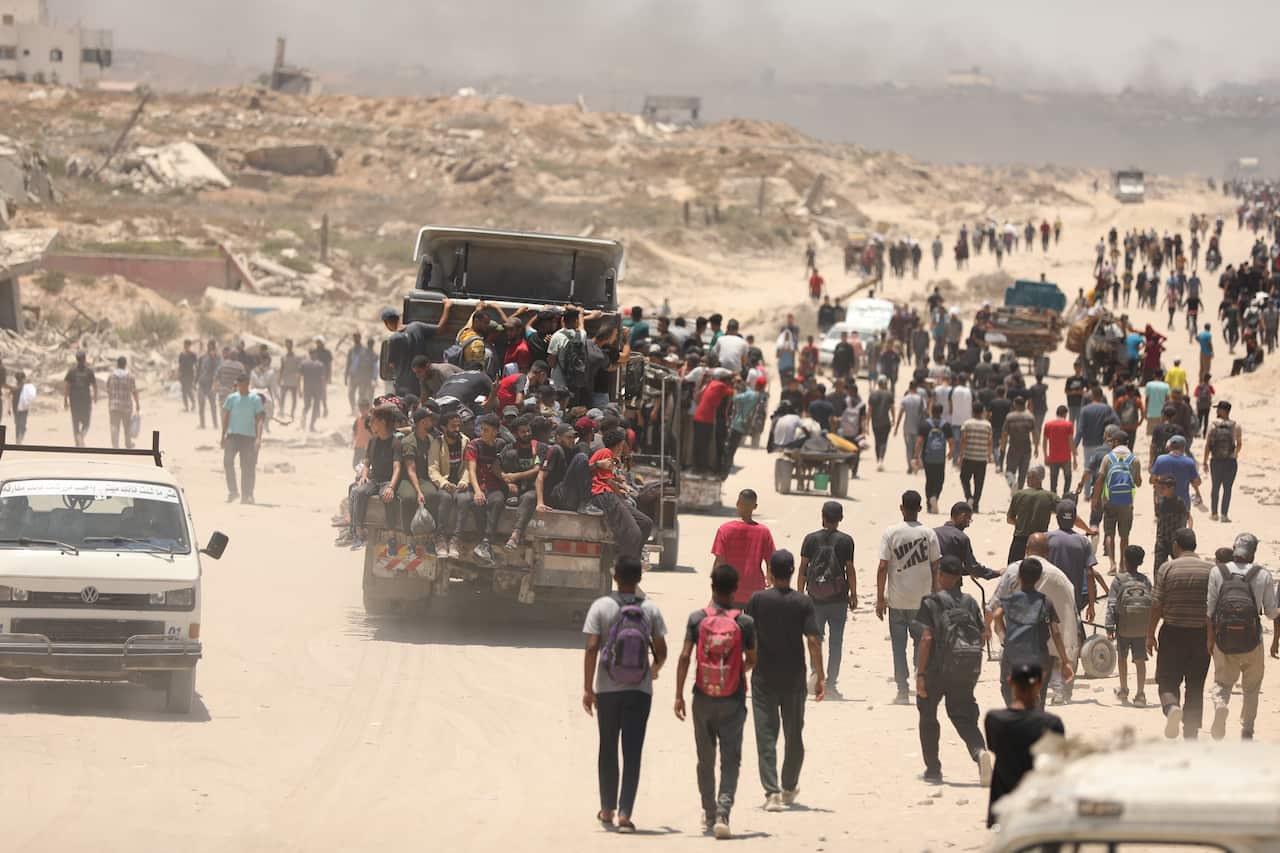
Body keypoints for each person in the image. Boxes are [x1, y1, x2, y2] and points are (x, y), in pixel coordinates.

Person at [582, 555, 668, 834]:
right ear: (640, 578)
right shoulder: (650, 609)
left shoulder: (601, 606)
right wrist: (652, 671)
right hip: (640, 692)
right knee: (632, 751)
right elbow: (662, 650)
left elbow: (592, 648)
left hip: (607, 690)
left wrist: (588, 688)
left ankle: (607, 808)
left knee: (607, 747)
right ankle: (625, 813)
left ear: (615, 577)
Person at [674, 563, 756, 839]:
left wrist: (678, 694)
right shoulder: (744, 623)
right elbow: (752, 659)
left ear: (712, 588)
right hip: (733, 698)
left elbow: (684, 657)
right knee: (730, 759)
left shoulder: (697, 619)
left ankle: (709, 813)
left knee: (705, 759)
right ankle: (723, 813)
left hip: (702, 698)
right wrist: (734, 671)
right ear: (735, 590)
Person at [747, 550, 824, 812]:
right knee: (794, 734)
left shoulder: (757, 599)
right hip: (794, 679)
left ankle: (771, 793)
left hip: (763, 677)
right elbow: (813, 640)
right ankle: (788, 787)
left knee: (766, 735)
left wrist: (745, 664)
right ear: (792, 572)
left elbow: (747, 633)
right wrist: (820, 675)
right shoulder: (803, 602)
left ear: (770, 572)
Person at [913, 555, 992, 785]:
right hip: (966, 668)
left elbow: (926, 638)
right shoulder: (970, 602)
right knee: (963, 715)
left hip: (936, 670)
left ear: (939, 575)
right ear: (958, 577)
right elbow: (982, 635)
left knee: (928, 715)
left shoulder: (931, 602)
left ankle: (933, 769)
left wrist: (920, 674)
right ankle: (979, 752)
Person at [1207, 533, 1276, 741]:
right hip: (1252, 641)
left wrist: (1210, 639)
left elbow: (1210, 610)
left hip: (1223, 638)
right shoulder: (1263, 574)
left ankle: (1221, 705)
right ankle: (1247, 730)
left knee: (1222, 682)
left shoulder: (1218, 571)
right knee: (1251, 688)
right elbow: (1271, 613)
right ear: (1253, 552)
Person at [876, 490, 942, 704]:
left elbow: (882, 566)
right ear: (920, 508)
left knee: (898, 647)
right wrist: (937, 595)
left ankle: (902, 691)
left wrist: (880, 598)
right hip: (922, 602)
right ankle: (918, 675)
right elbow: (936, 566)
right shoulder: (929, 534)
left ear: (901, 508)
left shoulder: (891, 533)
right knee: (921, 643)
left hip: (896, 602)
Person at [1148, 527, 1213, 739]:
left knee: (1167, 680)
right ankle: (1191, 733)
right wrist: (1212, 638)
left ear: (1176, 545)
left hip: (1172, 633)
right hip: (1201, 635)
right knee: (1195, 685)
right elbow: (1214, 607)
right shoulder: (1210, 570)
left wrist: (1150, 633)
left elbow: (1156, 604)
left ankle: (1172, 708)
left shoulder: (1167, 568)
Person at [983, 662, 1064, 829]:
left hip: (1004, 811)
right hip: (1039, 811)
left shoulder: (994, 720)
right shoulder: (1051, 724)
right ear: (1040, 685)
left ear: (1010, 681)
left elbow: (993, 747)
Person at [991, 557, 1074, 706]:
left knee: (1009, 691)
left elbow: (997, 615)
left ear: (1019, 576)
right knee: (1037, 696)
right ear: (1039, 578)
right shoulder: (1045, 601)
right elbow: (1056, 634)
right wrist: (1065, 661)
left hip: (1013, 655)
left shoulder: (1010, 600)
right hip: (1039, 656)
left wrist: (1006, 636)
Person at [797, 501, 855, 697]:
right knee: (836, 642)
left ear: (822, 516)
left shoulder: (810, 539)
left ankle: (816, 674)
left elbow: (803, 569)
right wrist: (853, 594)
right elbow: (850, 570)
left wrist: (800, 594)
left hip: (815, 599)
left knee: (815, 639)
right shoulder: (846, 541)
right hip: (839, 599)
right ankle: (831, 684)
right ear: (841, 518)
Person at [712, 490, 776, 608]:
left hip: (730, 589)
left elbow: (719, 562)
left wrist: (716, 588)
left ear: (737, 503)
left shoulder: (725, 530)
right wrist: (769, 578)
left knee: (730, 620)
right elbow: (771, 561)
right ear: (755, 507)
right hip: (755, 590)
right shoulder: (763, 532)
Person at [1106, 545, 1152, 706]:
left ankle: (1124, 689)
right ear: (1141, 562)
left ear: (1124, 560)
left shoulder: (1119, 580)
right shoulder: (1145, 580)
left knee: (1122, 657)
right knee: (1140, 660)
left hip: (1123, 626)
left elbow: (1112, 604)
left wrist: (1109, 626)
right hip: (1141, 628)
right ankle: (1140, 694)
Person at [1092, 427, 1142, 574]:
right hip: (1127, 502)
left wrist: (1095, 499)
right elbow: (1138, 482)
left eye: (1112, 441)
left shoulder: (1108, 458)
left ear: (1116, 442)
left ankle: (1112, 564)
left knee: (1109, 534)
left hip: (1109, 501)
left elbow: (1100, 480)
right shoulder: (1134, 459)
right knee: (1124, 536)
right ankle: (1122, 565)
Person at [429, 412, 472, 559]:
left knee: (465, 499)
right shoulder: (437, 443)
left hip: (460, 484)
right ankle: (440, 538)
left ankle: (456, 540)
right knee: (445, 498)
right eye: (453, 426)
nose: (457, 429)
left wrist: (464, 481)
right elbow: (433, 469)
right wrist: (444, 483)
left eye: (459, 426)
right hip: (444, 483)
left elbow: (468, 466)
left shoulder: (465, 441)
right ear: (443, 427)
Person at [221, 373, 265, 505]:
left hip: (249, 438)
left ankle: (247, 495)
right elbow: (226, 417)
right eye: (238, 384)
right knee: (227, 462)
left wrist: (258, 438)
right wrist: (222, 436)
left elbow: (260, 420)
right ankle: (233, 491)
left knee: (247, 467)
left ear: (247, 384)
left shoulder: (255, 399)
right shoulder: (231, 398)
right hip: (232, 436)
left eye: (242, 384)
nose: (239, 387)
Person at [1005, 466, 1056, 564]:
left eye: (1031, 476)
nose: (1027, 478)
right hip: (1039, 540)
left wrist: (1021, 524)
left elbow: (1009, 519)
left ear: (1039, 479)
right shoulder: (1050, 496)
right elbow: (1064, 511)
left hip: (1020, 539)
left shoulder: (1019, 495)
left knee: (1013, 567)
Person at [1203, 401, 1242, 523]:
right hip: (1230, 461)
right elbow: (1239, 444)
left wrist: (1205, 461)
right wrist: (1234, 454)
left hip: (1216, 461)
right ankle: (1224, 515)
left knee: (1215, 487)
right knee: (1227, 488)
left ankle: (1214, 514)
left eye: (1218, 409)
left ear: (1223, 410)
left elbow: (1208, 444)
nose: (1216, 411)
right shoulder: (1236, 426)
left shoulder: (1213, 425)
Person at [1151, 435, 1202, 523]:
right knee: (1181, 529)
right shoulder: (1189, 462)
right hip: (1183, 503)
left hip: (1164, 503)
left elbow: (1152, 480)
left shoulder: (1160, 459)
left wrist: (1159, 483)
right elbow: (1197, 482)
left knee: (1164, 529)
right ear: (1183, 448)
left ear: (1170, 446)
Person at [914, 403, 954, 514]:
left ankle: (929, 504)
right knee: (940, 480)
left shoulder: (925, 424)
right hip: (940, 458)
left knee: (929, 479)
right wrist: (950, 453)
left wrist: (916, 455)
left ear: (931, 411)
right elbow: (951, 441)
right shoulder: (946, 425)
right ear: (941, 412)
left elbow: (919, 441)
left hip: (928, 457)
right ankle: (935, 496)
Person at [957, 402, 993, 513]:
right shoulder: (987, 425)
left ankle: (969, 497)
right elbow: (990, 441)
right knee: (979, 482)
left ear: (972, 411)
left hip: (968, 456)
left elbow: (963, 439)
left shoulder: (967, 424)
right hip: (981, 458)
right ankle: (976, 505)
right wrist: (989, 455)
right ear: (982, 412)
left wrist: (960, 455)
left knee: (964, 478)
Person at [999, 397, 1037, 492]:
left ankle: (1012, 483)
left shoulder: (1010, 417)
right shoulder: (1030, 416)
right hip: (1026, 448)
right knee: (1023, 473)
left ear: (1015, 404)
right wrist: (1036, 447)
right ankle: (1019, 491)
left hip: (1013, 448)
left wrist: (1002, 448)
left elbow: (1004, 434)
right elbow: (1034, 433)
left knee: (1009, 471)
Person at [63, 350, 97, 447]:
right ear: (85, 359)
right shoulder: (89, 371)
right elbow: (94, 386)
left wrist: (65, 400)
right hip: (86, 400)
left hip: (74, 401)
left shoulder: (71, 372)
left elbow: (67, 387)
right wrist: (95, 396)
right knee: (87, 423)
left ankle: (78, 441)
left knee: (75, 422)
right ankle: (81, 436)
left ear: (76, 359)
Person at [106, 356, 140, 450]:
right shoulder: (130, 376)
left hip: (114, 405)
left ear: (117, 364)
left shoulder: (111, 376)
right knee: (127, 426)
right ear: (125, 364)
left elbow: (108, 390)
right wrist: (137, 403)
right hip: (126, 406)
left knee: (114, 425)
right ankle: (128, 444)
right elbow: (134, 391)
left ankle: (115, 446)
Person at [1042, 405, 1074, 496]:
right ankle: (1065, 495)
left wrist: (1045, 456)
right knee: (1068, 478)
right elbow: (1071, 442)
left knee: (1053, 479)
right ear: (1065, 414)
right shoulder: (1069, 425)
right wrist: (1075, 457)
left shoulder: (1048, 425)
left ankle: (1053, 498)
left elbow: (1044, 442)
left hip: (1053, 457)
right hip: (1066, 457)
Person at [867, 378, 895, 472]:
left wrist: (867, 423)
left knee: (877, 441)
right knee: (884, 441)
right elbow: (892, 408)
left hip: (875, 422)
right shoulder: (889, 394)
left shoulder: (873, 394)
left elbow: (869, 410)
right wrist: (893, 419)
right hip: (885, 422)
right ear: (885, 384)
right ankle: (881, 460)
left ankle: (878, 459)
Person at [278, 338, 301, 420]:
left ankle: (292, 413)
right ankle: (281, 411)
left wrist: (299, 382)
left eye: (289, 344)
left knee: (294, 398)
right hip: (285, 380)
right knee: (282, 397)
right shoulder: (283, 357)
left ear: (292, 345)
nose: (288, 346)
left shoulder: (297, 357)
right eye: (286, 344)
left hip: (293, 380)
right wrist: (279, 379)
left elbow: (298, 370)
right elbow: (281, 368)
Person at [9, 371, 33, 443]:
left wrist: (9, 408)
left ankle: (19, 439)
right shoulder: (21, 387)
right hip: (19, 408)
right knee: (20, 424)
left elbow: (10, 397)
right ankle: (19, 439)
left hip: (19, 407)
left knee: (19, 424)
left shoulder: (20, 387)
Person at [178, 339, 197, 412]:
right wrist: (179, 374)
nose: (185, 346)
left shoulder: (193, 355)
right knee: (183, 391)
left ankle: (193, 403)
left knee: (188, 390)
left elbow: (196, 365)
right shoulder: (181, 354)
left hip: (190, 375)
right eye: (185, 345)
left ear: (189, 346)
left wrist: (195, 376)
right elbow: (180, 365)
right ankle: (186, 407)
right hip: (183, 375)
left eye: (187, 345)